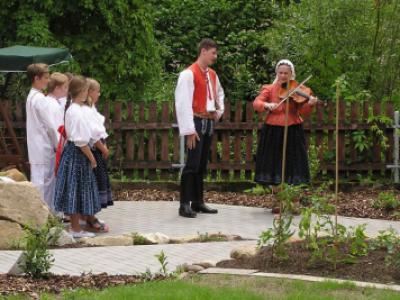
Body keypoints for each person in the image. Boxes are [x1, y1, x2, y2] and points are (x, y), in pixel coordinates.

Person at [253, 59, 318, 212]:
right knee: (274, 164)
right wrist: (267, 105)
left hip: (293, 129)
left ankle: (294, 202)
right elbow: (257, 103)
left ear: (291, 74)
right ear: (277, 73)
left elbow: (303, 113)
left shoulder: (298, 90)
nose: (283, 76)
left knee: (294, 165)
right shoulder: (269, 88)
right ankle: (279, 201)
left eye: (286, 73)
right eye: (280, 73)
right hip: (273, 130)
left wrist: (310, 104)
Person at [175, 38, 224, 218]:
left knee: (201, 164)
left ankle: (197, 202)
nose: (215, 57)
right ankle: (184, 204)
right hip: (195, 122)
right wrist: (189, 130)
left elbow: (219, 94)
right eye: (213, 53)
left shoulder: (212, 74)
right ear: (203, 51)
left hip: (208, 122)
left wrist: (219, 112)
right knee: (192, 164)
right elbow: (183, 103)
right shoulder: (188, 74)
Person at [54, 76, 100, 238]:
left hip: (75, 153)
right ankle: (75, 228)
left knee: (76, 189)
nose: (88, 92)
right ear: (81, 91)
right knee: (75, 189)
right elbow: (80, 141)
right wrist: (92, 158)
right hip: (77, 154)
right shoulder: (75, 111)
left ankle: (77, 226)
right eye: (87, 89)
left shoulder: (76, 109)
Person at [40, 72, 69, 211]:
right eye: (65, 87)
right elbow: (54, 128)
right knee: (50, 181)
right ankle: (50, 212)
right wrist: (60, 147)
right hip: (53, 147)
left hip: (53, 147)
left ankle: (52, 211)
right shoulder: (51, 105)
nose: (67, 90)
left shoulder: (52, 103)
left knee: (51, 181)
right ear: (57, 88)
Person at [25, 63, 52, 204]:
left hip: (36, 145)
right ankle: (44, 216)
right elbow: (51, 125)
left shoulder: (31, 96)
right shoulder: (40, 99)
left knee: (38, 179)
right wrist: (57, 142)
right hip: (44, 145)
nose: (48, 80)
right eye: (46, 77)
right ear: (36, 78)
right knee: (44, 182)